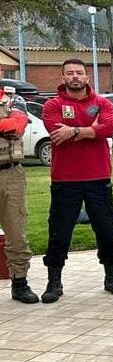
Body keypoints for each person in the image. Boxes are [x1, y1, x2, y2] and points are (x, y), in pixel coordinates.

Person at [41, 59, 113, 303]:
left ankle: (112, 277)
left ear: (87, 77)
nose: (75, 77)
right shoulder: (52, 104)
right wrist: (91, 129)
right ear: (63, 77)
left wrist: (75, 131)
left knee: (106, 230)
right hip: (65, 180)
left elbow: (109, 128)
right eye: (70, 73)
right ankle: (54, 282)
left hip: (98, 178)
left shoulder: (102, 102)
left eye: (79, 73)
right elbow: (56, 132)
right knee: (59, 232)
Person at [0, 81, 39, 303]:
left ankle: (19, 282)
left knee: (16, 231)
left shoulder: (14, 99)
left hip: (10, 174)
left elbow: (16, 126)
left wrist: (8, 125)